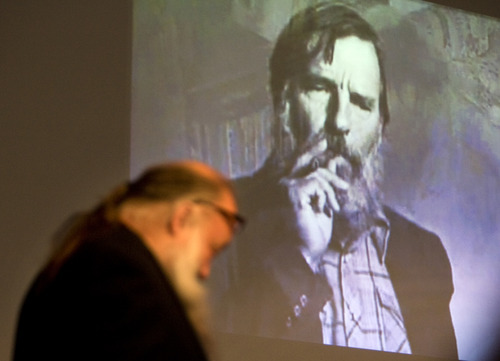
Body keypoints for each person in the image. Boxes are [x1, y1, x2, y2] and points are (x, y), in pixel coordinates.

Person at [215, 3, 458, 359]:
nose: (340, 120)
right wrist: (299, 258)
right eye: (320, 87)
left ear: (379, 128)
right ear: (283, 102)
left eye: (361, 102)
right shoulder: (215, 222)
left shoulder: (424, 254)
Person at [13, 160, 244, 361]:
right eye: (211, 250)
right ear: (182, 218)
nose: (205, 271)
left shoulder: (99, 257)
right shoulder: (116, 273)